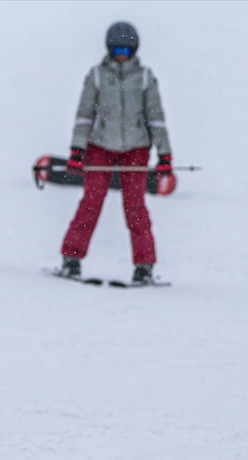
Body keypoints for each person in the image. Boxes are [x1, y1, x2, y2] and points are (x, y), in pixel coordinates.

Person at [57, 21, 172, 285]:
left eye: (127, 50)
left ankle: (144, 266)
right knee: (91, 203)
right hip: (100, 147)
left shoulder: (144, 77)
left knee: (135, 207)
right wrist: (77, 150)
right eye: (117, 49)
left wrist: (165, 154)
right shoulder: (97, 75)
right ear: (109, 49)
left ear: (134, 50)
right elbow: (85, 115)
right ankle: (71, 260)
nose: (122, 55)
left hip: (136, 149)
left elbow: (155, 117)